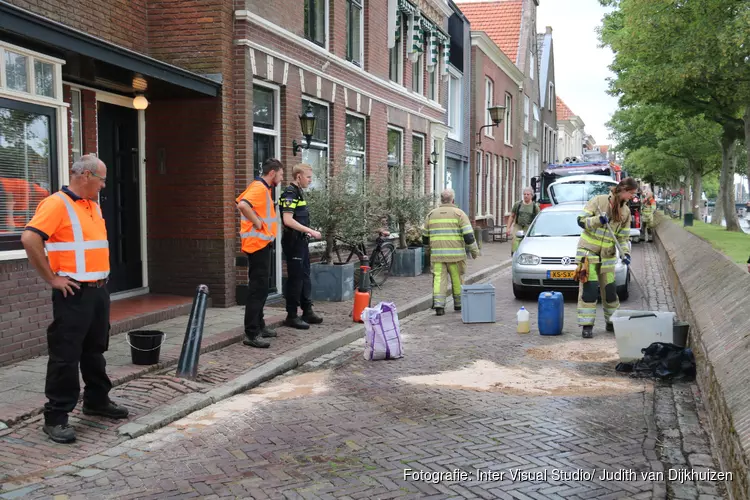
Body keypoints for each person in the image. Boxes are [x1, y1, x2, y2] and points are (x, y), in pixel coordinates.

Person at [21, 154, 129, 444]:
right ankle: (56, 417)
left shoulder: (92, 205)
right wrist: (52, 279)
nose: (104, 185)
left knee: (95, 349)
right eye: (101, 179)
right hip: (73, 292)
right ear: (85, 176)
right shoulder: (57, 203)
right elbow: (30, 238)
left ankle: (97, 401)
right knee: (65, 355)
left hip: (97, 291)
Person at [574, 177, 637, 339]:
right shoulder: (598, 202)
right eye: (631, 193)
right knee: (589, 289)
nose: (632, 197)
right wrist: (597, 220)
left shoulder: (626, 212)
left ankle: (612, 322)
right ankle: (587, 326)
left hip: (607, 256)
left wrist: (625, 253)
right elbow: (580, 221)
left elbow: (622, 237)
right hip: (588, 253)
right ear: (623, 190)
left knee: (610, 291)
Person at [236, 158, 284, 348]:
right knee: (258, 289)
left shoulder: (264, 188)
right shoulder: (258, 188)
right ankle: (251, 333)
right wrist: (257, 223)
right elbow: (242, 205)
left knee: (262, 288)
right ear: (272, 173)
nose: (281, 178)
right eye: (280, 174)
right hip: (257, 246)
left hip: (262, 244)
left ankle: (260, 325)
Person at [422, 189, 479, 316]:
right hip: (455, 256)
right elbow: (469, 236)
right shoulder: (460, 214)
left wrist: (427, 250)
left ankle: (439, 305)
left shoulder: (431, 215)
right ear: (453, 200)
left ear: (441, 200)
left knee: (438, 279)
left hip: (437, 256)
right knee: (457, 279)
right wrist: (474, 251)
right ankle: (458, 304)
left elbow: (425, 236)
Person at [279, 163, 323, 329]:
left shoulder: (299, 193)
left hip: (301, 241)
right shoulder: (289, 193)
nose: (310, 180)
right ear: (299, 177)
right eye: (308, 177)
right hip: (293, 241)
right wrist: (310, 231)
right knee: (296, 279)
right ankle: (291, 315)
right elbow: (288, 220)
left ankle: (307, 310)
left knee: (305, 276)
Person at [507, 187, 540, 255]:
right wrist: (508, 228)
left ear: (531, 195)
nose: (526, 196)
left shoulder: (535, 207)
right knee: (515, 240)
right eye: (524, 194)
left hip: (528, 227)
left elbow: (538, 220)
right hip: (518, 226)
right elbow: (512, 216)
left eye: (528, 194)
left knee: (526, 242)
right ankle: (514, 255)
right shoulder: (518, 204)